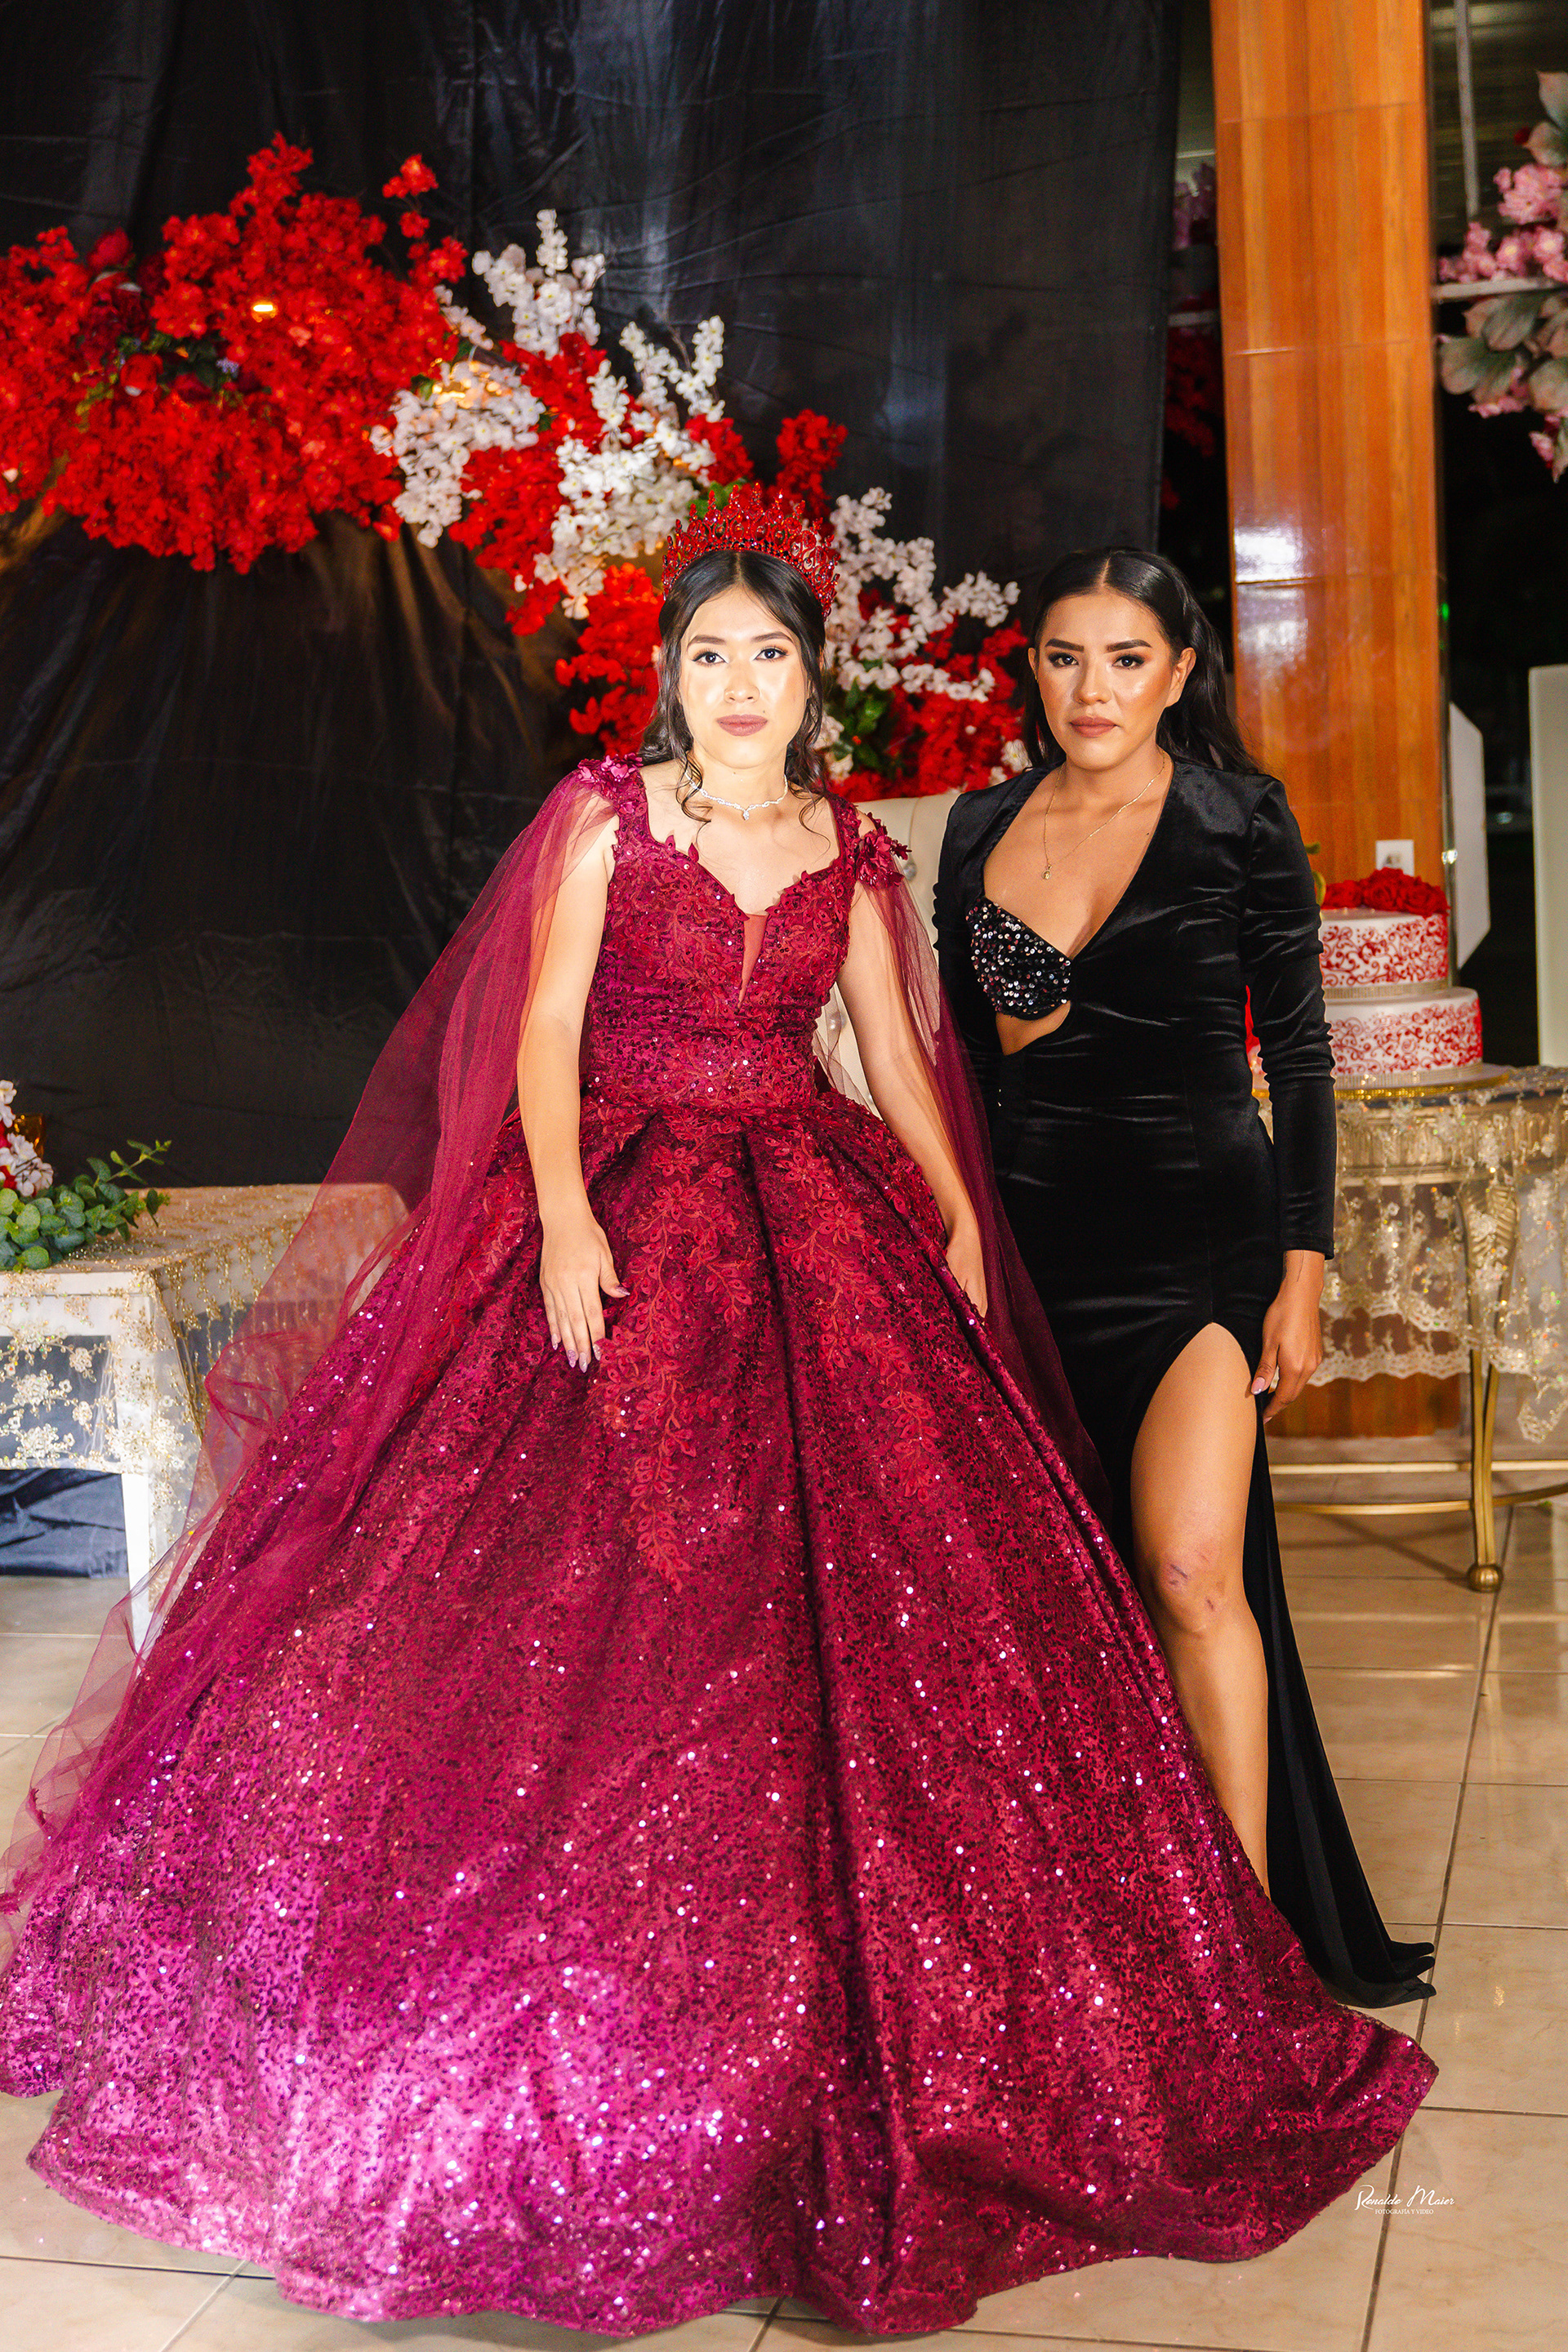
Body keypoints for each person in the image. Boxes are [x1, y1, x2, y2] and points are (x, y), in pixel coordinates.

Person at [0, 495, 1433, 2336]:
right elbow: (541, 1033)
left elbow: (897, 1050)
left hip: (817, 1205)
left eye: (768, 656)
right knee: (559, 1590)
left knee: (901, 1589)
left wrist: (954, 1217)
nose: (739, 684)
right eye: (708, 657)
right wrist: (564, 1217)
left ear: (811, 682)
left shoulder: (851, 846)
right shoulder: (609, 817)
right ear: (671, 678)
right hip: (623, 1198)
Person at [936, 544, 1434, 2011]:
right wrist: (956, 1241)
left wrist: (1303, 1269)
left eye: (1126, 659)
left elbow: (1304, 1057)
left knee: (1191, 1575)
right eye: (1064, 658)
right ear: (1034, 672)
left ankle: (1245, 1964)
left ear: (1179, 670)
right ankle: (1107, 1921)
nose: (1092, 689)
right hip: (1032, 1254)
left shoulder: (1237, 817)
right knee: (1065, 1614)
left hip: (1199, 1247)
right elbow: (965, 1069)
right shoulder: (978, 827)